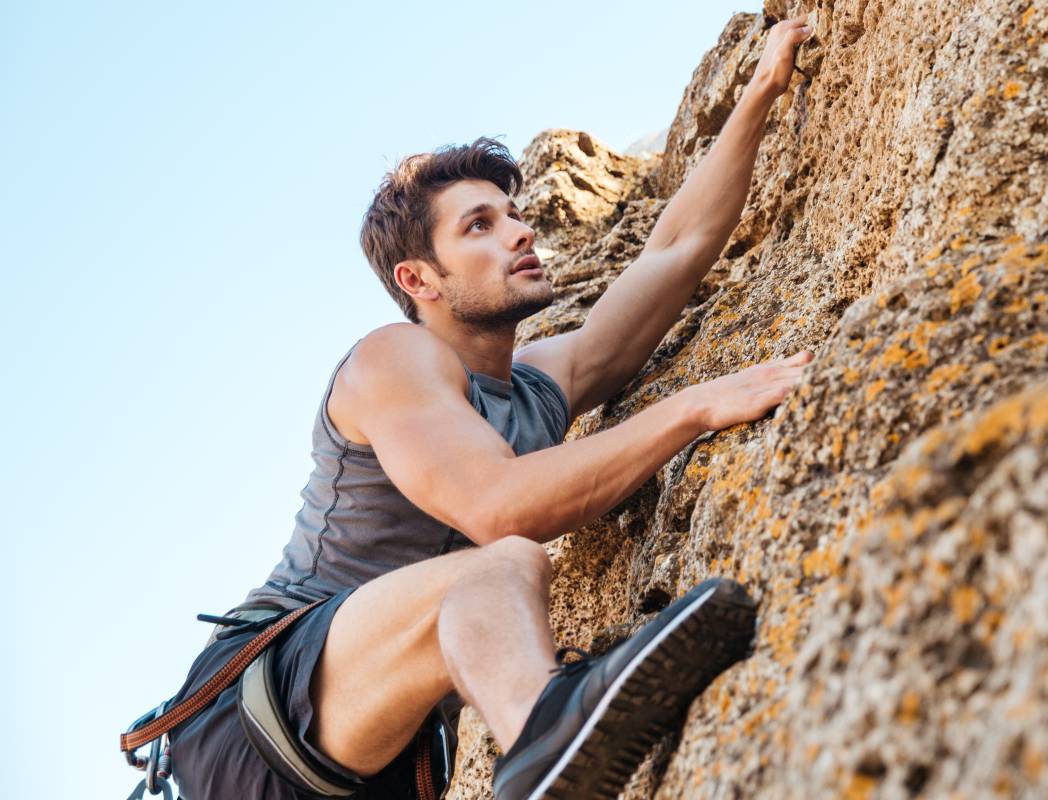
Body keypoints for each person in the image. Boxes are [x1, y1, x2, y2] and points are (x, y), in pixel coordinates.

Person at [148, 18, 816, 800]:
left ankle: (545, 748)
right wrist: (694, 409)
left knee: (492, 577)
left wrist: (763, 91)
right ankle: (544, 743)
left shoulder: (537, 383)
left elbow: (675, 248)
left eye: (512, 211)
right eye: (480, 225)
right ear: (420, 280)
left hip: (374, 760)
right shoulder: (391, 361)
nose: (519, 230)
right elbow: (499, 507)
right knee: (504, 566)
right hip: (259, 715)